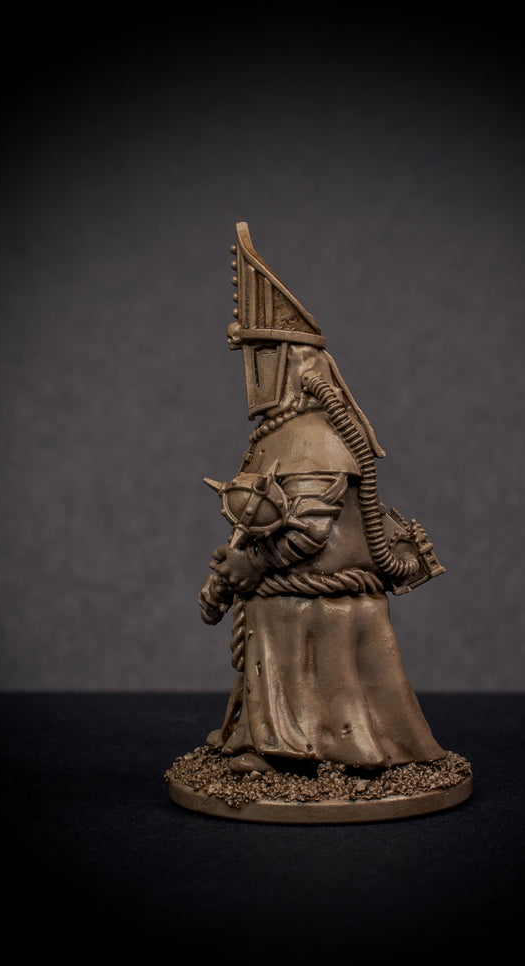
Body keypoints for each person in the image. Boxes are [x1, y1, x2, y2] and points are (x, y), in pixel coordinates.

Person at [198, 224, 446, 774]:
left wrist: (252, 566)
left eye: (262, 353)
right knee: (274, 614)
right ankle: (260, 738)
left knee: (291, 614)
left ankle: (307, 750)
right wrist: (235, 569)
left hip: (320, 600)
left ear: (290, 362)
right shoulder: (279, 433)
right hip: (287, 596)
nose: (253, 368)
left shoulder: (316, 437)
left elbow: (310, 532)